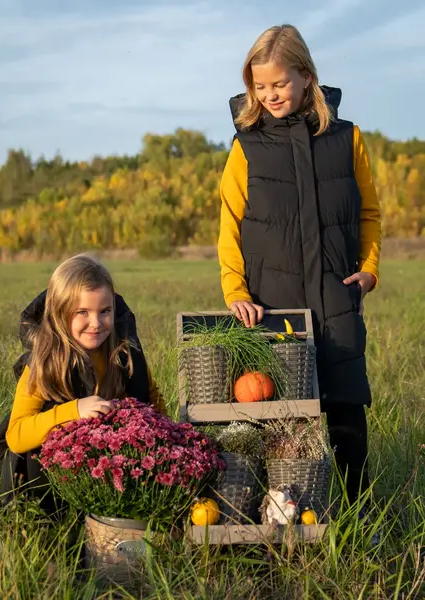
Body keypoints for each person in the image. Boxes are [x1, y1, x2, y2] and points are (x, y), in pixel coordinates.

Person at [217, 24, 381, 507]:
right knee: (280, 420)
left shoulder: (347, 139)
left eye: (279, 84)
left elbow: (369, 211)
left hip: (337, 300)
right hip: (272, 304)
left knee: (347, 413)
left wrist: (369, 270)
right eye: (259, 87)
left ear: (307, 77)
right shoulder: (246, 146)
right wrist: (236, 291)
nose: (269, 95)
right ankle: (284, 519)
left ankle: (357, 513)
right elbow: (229, 223)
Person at [0, 254, 164, 511]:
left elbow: (152, 398)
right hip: (39, 474)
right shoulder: (44, 362)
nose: (96, 324)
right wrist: (75, 411)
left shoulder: (123, 353)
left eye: (105, 311)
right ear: (61, 313)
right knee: (35, 456)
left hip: (97, 461)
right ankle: (54, 520)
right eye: (82, 312)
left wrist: (165, 441)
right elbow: (15, 435)